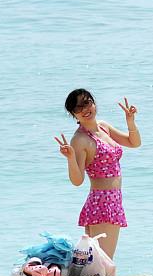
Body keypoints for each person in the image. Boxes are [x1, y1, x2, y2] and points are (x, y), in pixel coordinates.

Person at [55, 90, 141, 261]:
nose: (85, 109)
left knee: (99, 261)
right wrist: (71, 158)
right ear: (74, 114)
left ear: (94, 103)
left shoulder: (103, 127)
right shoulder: (79, 139)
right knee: (103, 261)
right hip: (102, 202)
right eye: (78, 107)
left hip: (114, 199)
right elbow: (77, 180)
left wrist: (130, 122)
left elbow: (134, 142)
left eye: (87, 103)